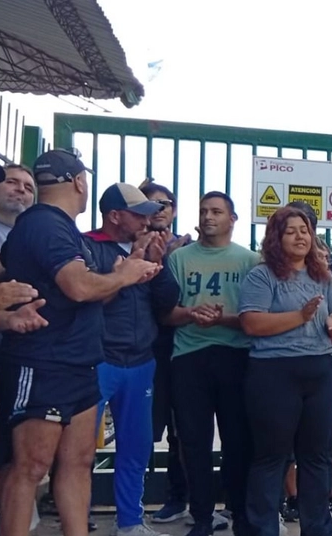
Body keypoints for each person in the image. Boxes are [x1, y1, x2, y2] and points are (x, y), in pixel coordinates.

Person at [0, 149, 159, 536]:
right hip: (44, 362)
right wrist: (124, 275)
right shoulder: (45, 224)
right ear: (79, 182)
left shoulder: (64, 228)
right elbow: (79, 286)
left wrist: (122, 273)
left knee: (78, 462)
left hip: (81, 363)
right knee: (31, 467)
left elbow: (89, 294)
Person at [238, 206, 332, 536]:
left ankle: (318, 528)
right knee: (271, 456)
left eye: (305, 230)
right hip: (274, 372)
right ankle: (263, 528)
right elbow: (251, 322)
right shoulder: (262, 275)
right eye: (291, 231)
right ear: (277, 237)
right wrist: (300, 316)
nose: (300, 236)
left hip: (319, 371)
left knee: (317, 456)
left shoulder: (323, 276)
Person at [84, 184, 181, 536]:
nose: (146, 220)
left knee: (137, 447)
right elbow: (88, 300)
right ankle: (77, 517)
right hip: (99, 360)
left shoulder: (152, 247)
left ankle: (129, 521)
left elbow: (168, 302)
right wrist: (123, 273)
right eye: (138, 213)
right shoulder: (87, 245)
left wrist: (158, 263)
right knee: (80, 450)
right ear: (115, 216)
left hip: (141, 361)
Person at [164, 192, 258, 536]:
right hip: (189, 356)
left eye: (216, 211)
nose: (208, 217)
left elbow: (257, 318)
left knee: (238, 441)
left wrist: (223, 319)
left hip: (236, 355)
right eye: (203, 211)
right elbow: (165, 313)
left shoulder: (250, 261)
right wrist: (192, 313)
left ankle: (240, 514)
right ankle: (202, 516)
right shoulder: (179, 258)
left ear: (232, 219)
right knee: (193, 442)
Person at [279, 201, 332, 526]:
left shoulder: (331, 279)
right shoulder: (275, 275)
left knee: (325, 445)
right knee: (286, 443)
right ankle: (291, 500)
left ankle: (322, 503)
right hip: (289, 373)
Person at [0, 165, 44, 536]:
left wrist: (11, 318)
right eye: (11, 182)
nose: (21, 190)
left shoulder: (24, 237)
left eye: (28, 187)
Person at [139, 182, 197, 526]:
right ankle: (131, 504)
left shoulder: (187, 249)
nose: (160, 209)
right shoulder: (130, 244)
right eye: (152, 203)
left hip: (178, 346)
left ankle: (179, 498)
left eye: (166, 203)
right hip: (137, 347)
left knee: (182, 430)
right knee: (139, 429)